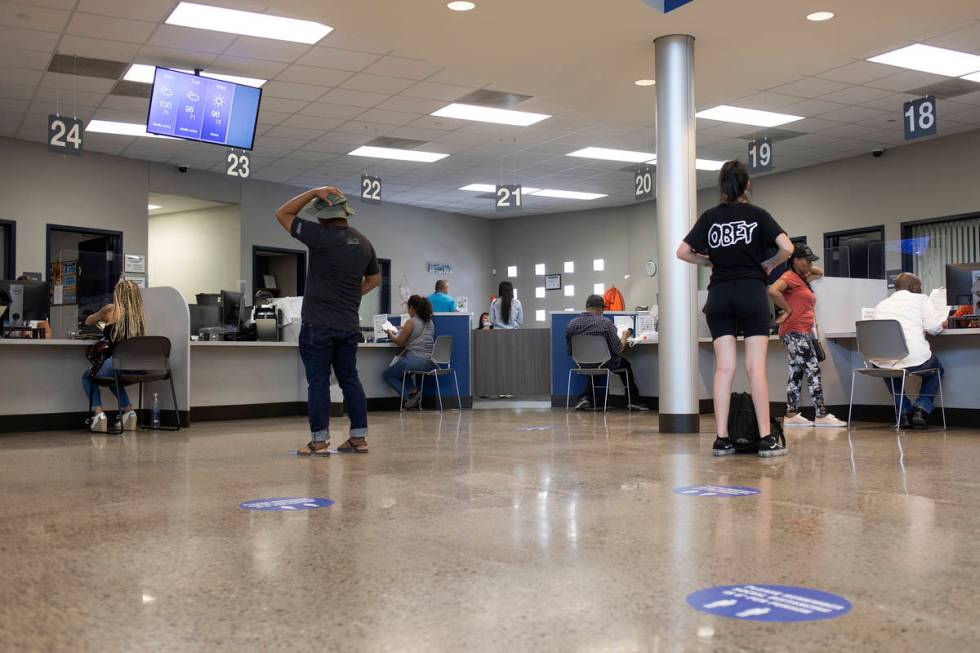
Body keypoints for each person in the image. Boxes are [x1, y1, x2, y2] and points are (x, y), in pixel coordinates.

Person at [676, 160, 793, 457]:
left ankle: (722, 438)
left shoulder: (710, 217)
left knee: (724, 368)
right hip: (751, 293)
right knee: (756, 368)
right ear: (747, 185)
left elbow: (682, 252)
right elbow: (789, 248)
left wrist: (707, 261)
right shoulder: (758, 215)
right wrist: (770, 263)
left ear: (722, 186)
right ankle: (766, 438)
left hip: (719, 295)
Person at [275, 185, 382, 456]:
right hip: (348, 324)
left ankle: (320, 441)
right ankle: (359, 438)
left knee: (319, 382)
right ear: (344, 213)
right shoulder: (364, 241)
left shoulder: (319, 235)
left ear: (322, 215)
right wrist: (349, 293)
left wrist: (313, 192)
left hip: (318, 324)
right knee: (350, 379)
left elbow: (283, 213)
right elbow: (375, 280)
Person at [768, 244, 847, 428]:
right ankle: (821, 415)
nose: (811, 264)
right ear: (795, 260)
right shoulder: (788, 277)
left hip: (803, 331)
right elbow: (773, 290)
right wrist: (787, 309)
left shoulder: (800, 278)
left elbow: (819, 271)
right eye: (806, 260)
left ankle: (791, 414)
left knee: (796, 372)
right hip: (794, 331)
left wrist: (808, 266)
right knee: (813, 370)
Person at [871, 272, 946, 429]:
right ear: (913, 287)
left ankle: (904, 412)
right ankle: (921, 409)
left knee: (888, 369)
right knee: (936, 370)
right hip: (914, 360)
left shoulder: (881, 304)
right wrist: (942, 322)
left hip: (882, 359)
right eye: (919, 287)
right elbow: (933, 328)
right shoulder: (921, 299)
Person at [81, 279, 146, 433]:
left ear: (118, 294)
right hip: (137, 365)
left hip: (116, 363)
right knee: (113, 380)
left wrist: (101, 315)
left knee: (87, 376)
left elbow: (88, 321)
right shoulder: (140, 318)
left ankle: (99, 416)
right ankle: (129, 413)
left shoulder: (110, 310)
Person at [566, 295, 647, 411]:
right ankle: (633, 400)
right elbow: (618, 349)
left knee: (595, 365)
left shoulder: (571, 324)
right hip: (604, 363)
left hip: (581, 364)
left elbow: (570, 351)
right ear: (600, 309)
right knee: (624, 365)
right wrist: (624, 336)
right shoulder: (605, 323)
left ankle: (586, 398)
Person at [382, 295, 437, 409]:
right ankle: (414, 391)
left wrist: (390, 333)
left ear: (412, 308)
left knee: (388, 374)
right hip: (431, 363)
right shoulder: (430, 322)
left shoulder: (411, 322)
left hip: (415, 361)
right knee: (402, 371)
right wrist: (403, 329)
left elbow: (399, 342)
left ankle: (409, 398)